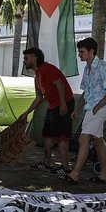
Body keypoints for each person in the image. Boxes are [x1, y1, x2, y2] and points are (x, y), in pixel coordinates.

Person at [60, 37, 106, 184]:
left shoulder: (103, 66)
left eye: (82, 52)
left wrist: (99, 106)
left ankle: (75, 174)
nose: (79, 54)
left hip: (99, 109)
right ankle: (104, 175)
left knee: (83, 139)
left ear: (91, 51)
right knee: (98, 141)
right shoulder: (87, 68)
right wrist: (77, 108)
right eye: (79, 51)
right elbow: (86, 92)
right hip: (91, 108)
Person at [18, 47, 74, 175]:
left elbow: (59, 84)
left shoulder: (47, 69)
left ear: (34, 58)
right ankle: (47, 163)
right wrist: (26, 112)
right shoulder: (37, 75)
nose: (24, 61)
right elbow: (39, 97)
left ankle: (65, 167)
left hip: (63, 104)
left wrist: (63, 103)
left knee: (62, 136)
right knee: (47, 134)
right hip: (53, 106)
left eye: (26, 58)